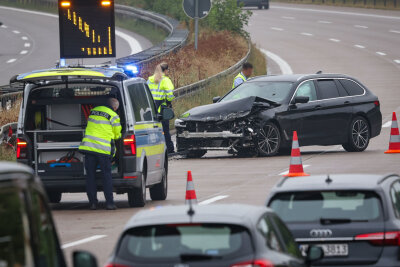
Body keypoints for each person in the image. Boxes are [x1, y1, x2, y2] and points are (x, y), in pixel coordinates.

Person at [79, 98, 122, 210]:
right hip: (103, 150)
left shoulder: (93, 111)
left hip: (89, 147)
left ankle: (93, 203)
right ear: (115, 107)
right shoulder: (113, 115)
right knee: (106, 176)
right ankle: (109, 203)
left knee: (90, 176)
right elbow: (117, 134)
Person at [147, 62, 175, 154]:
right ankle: (169, 149)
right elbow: (170, 94)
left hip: (150, 109)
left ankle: (154, 150)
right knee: (165, 130)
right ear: (166, 70)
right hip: (161, 109)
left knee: (152, 131)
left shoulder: (150, 79)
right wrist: (168, 101)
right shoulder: (165, 80)